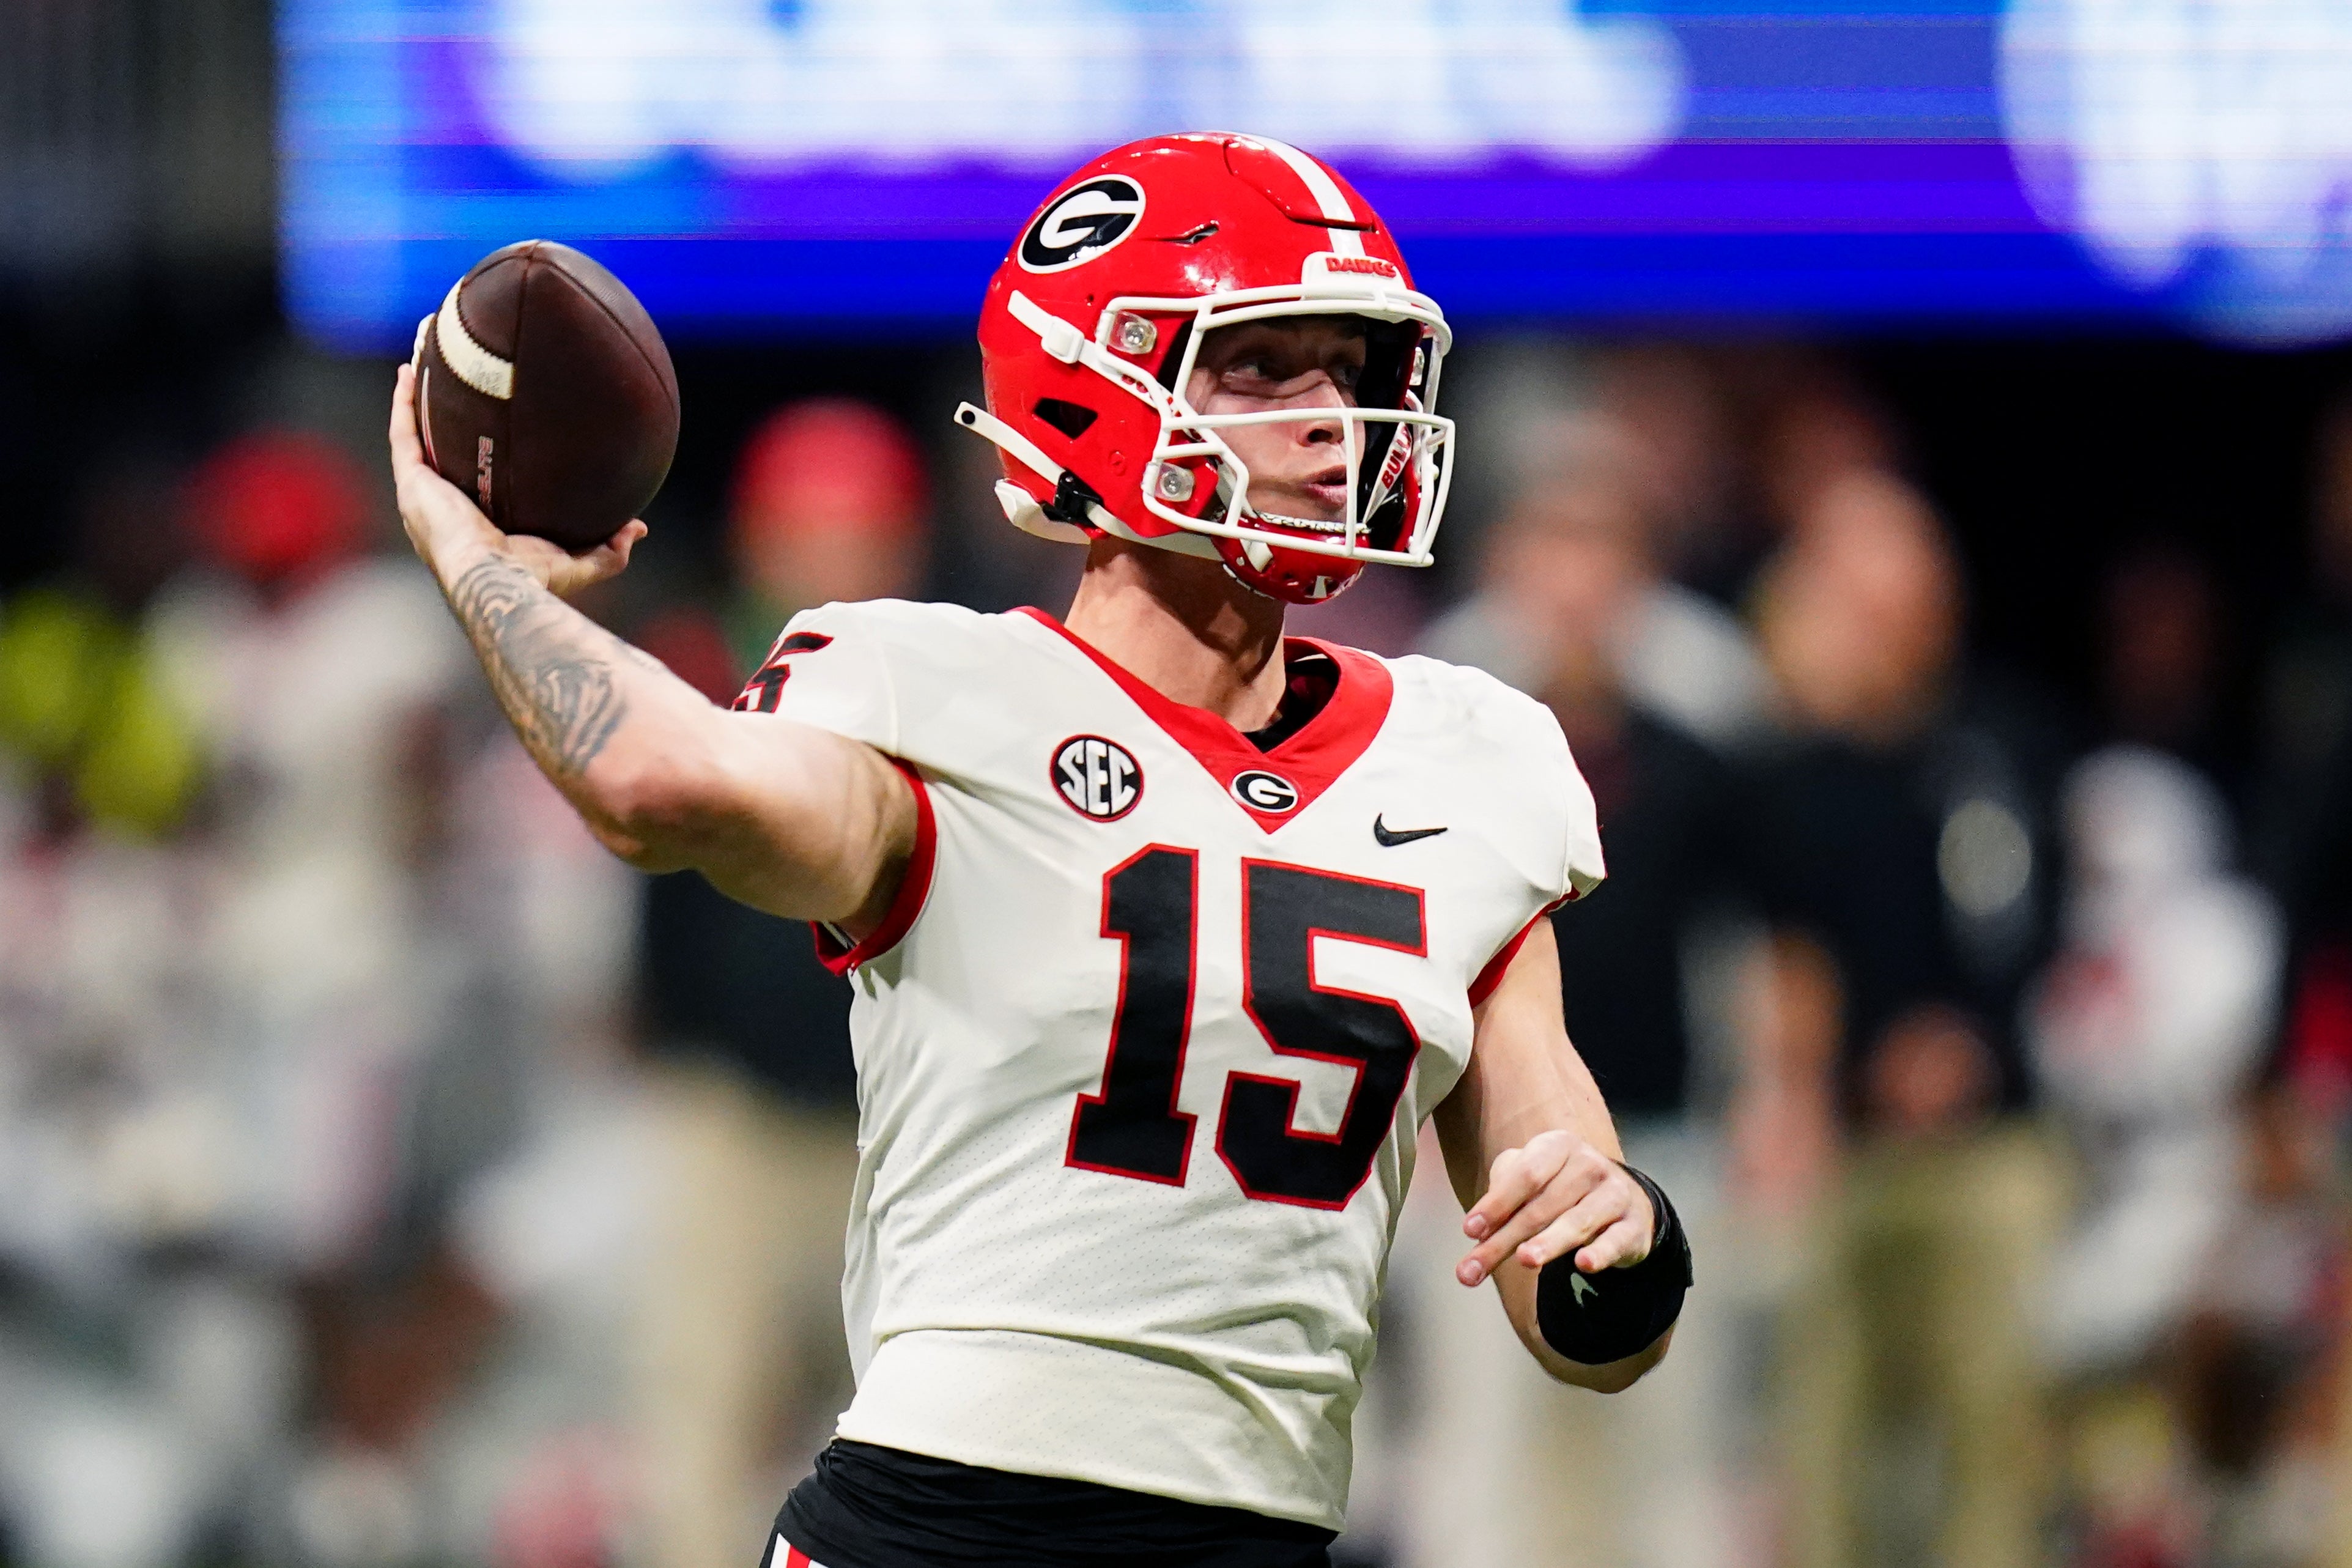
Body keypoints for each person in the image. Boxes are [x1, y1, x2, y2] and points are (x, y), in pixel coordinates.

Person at [388, 133, 1692, 1568]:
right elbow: (646, 778)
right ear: (1100, 385)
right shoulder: (935, 689)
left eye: (1351, 369)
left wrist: (1627, 1236)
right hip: (939, 1520)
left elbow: (1581, 1311)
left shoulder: (1475, 752)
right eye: (1265, 365)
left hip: (1257, 1536)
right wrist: (483, 567)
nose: (1335, 419)